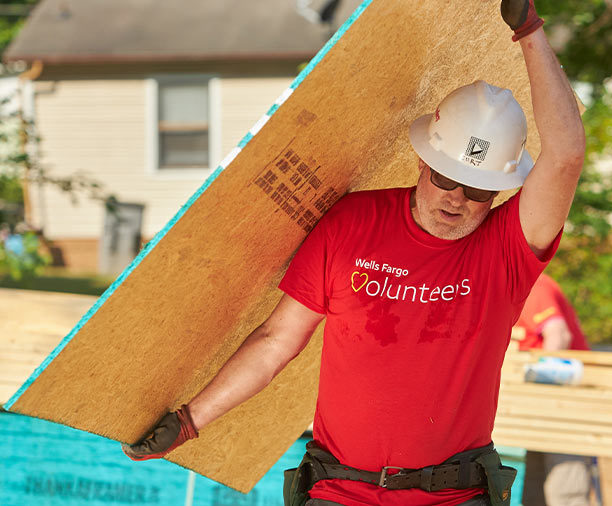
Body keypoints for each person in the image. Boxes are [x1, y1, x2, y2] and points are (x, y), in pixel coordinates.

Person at [122, 1, 585, 505]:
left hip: (451, 497)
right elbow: (277, 340)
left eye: (477, 189)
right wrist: (189, 422)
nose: (456, 198)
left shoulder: (507, 250)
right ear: (423, 159)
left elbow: (564, 155)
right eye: (447, 178)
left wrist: (530, 30)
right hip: (338, 491)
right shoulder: (352, 224)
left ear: (499, 191)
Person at [514, 273, 597, 506]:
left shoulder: (531, 284)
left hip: (562, 397)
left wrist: (545, 386)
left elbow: (558, 335)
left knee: (566, 483)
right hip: (535, 399)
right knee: (533, 481)